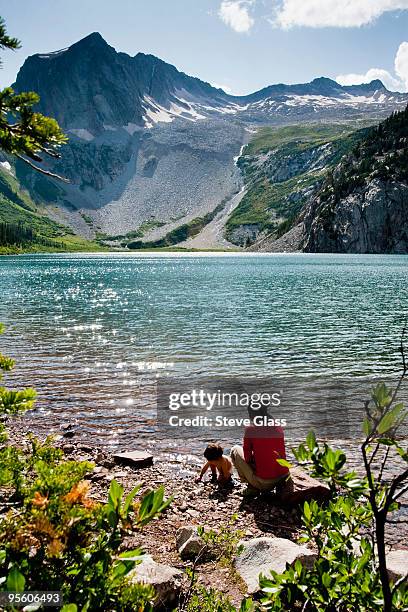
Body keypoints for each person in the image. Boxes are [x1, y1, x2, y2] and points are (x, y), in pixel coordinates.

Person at [230, 405, 292, 497]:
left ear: (251, 413)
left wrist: (256, 463)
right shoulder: (277, 425)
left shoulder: (250, 429)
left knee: (234, 450)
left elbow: (247, 458)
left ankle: (252, 488)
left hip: (265, 483)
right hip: (284, 477)